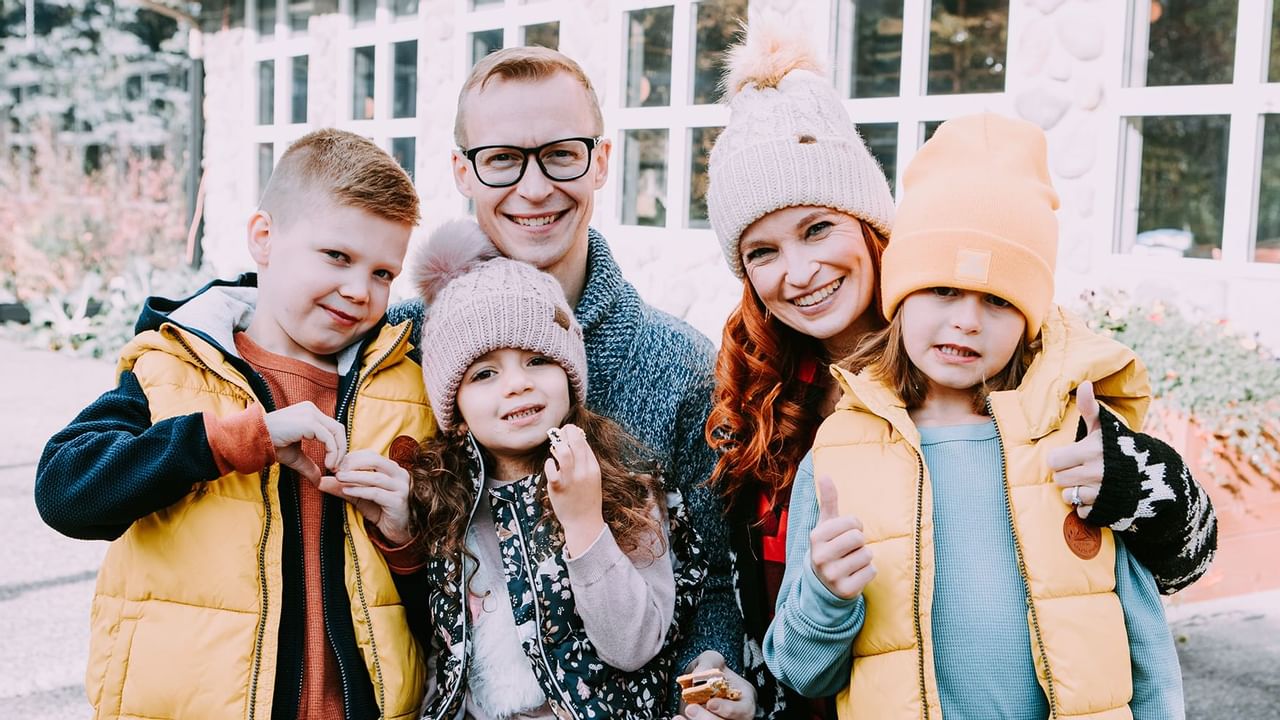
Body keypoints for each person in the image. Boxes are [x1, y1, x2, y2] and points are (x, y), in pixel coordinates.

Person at [702, 26, 1217, 719]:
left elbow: (1178, 566)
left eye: (819, 228)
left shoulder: (1029, 383)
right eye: (762, 250)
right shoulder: (752, 404)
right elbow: (769, 634)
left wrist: (1137, 482)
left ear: (875, 231)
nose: (799, 272)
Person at [388, 46, 750, 716]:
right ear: (463, 172)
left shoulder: (681, 367)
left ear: (602, 161)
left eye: (561, 153)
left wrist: (711, 687)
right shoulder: (402, 346)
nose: (533, 189)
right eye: (502, 159)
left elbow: (716, 585)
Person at [34, 129, 431, 720]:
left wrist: (406, 536)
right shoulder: (171, 367)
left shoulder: (408, 393)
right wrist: (238, 439)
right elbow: (66, 492)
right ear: (264, 238)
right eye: (338, 257)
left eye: (383, 274)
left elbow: (453, 604)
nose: (359, 290)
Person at [404, 219, 704, 719]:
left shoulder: (622, 486)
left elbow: (634, 644)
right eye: (485, 373)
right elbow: (444, 658)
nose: (517, 384)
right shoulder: (445, 503)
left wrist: (585, 524)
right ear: (453, 412)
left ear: (570, 375)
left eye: (538, 359)